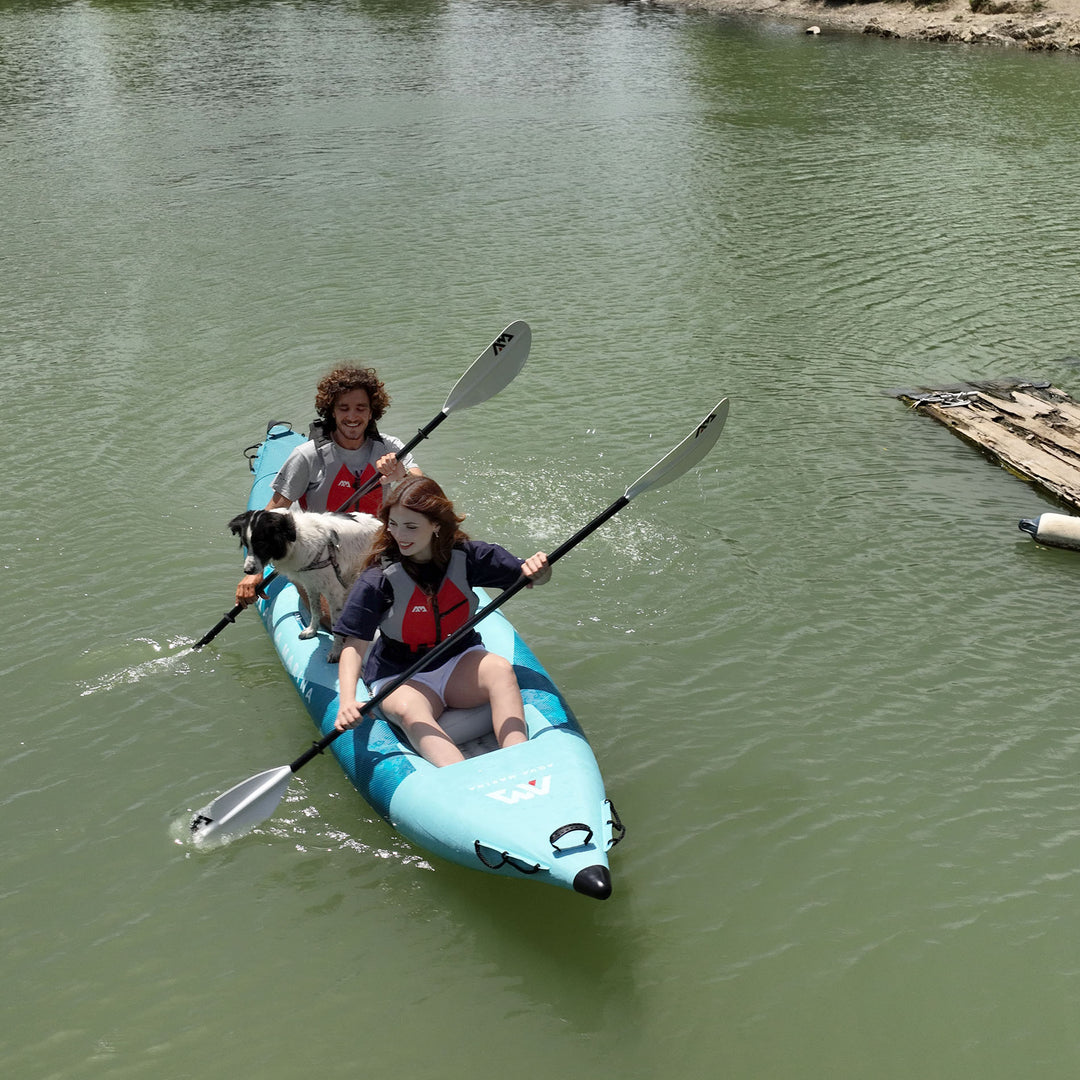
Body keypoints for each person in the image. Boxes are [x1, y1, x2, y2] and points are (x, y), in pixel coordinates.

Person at [332, 476, 551, 768]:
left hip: (458, 659)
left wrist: (541, 569)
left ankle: (523, 763)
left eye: (411, 526)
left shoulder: (468, 557)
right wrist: (347, 700)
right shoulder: (378, 578)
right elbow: (354, 644)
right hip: (401, 675)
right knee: (412, 711)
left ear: (436, 525)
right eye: (394, 525)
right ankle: (460, 780)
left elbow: (530, 577)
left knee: (500, 670)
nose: (400, 535)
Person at [235, 365, 422, 607]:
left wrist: (402, 474)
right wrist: (255, 570)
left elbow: (426, 490)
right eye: (343, 408)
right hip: (321, 560)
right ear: (331, 412)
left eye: (360, 408)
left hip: (374, 550)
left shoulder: (390, 447)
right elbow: (274, 510)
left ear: (372, 411)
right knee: (338, 618)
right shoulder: (307, 456)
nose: (352, 417)